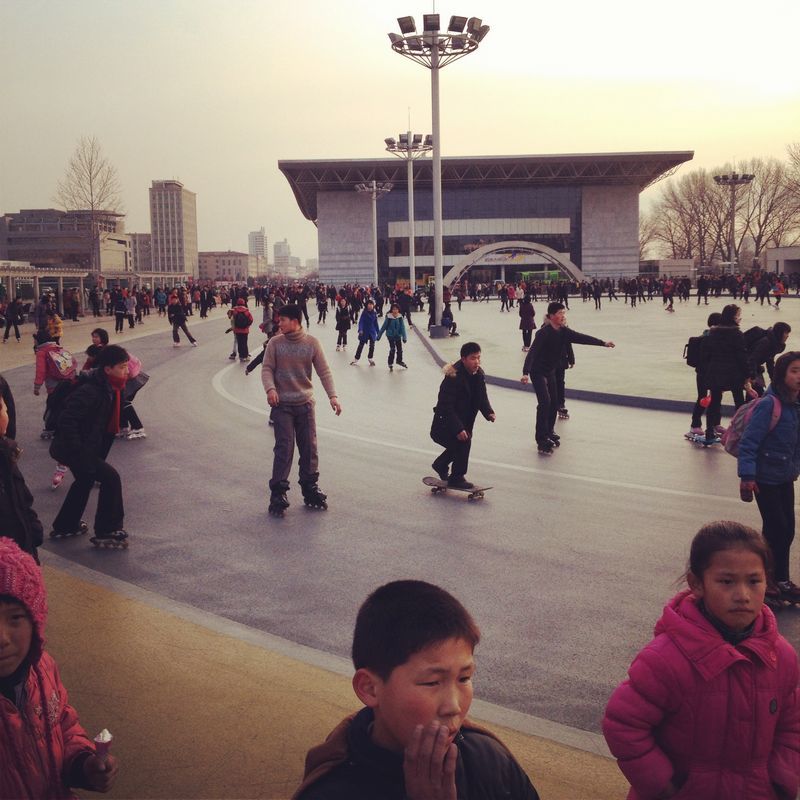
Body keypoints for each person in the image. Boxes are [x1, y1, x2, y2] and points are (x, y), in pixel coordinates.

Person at [603, 521, 799, 800]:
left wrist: (781, 780)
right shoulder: (665, 659)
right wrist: (665, 788)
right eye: (726, 582)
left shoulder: (780, 656)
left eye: (753, 581)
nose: (742, 595)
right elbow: (623, 724)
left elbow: (792, 723)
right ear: (697, 584)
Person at [292, 580, 540, 800]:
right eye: (432, 682)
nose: (453, 706)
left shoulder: (489, 762)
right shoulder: (331, 791)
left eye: (464, 678)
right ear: (370, 688)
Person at [0, 538, 120, 797]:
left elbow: (63, 727)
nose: (2, 637)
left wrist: (83, 764)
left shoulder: (42, 669)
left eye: (16, 618)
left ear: (36, 621)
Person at [261, 305, 341, 515]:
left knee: (309, 448)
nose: (279, 323)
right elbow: (267, 368)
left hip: (305, 404)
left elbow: (324, 371)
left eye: (283, 320)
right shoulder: (275, 343)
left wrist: (333, 396)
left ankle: (309, 487)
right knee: (284, 448)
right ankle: (278, 492)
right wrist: (270, 389)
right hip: (282, 405)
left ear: (295, 321)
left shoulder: (312, 343)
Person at [49, 344, 131, 547]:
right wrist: (79, 451)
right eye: (122, 367)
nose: (126, 371)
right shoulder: (92, 390)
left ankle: (66, 525)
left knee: (85, 480)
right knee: (111, 478)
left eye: (126, 366)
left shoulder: (112, 387)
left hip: (82, 448)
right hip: (73, 449)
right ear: (107, 369)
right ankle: (107, 530)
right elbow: (67, 420)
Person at [738, 350, 800, 605]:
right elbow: (749, 442)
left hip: (785, 476)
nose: (799, 376)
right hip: (764, 478)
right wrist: (747, 476)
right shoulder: (769, 404)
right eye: (794, 371)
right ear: (781, 374)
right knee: (778, 528)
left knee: (787, 530)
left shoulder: (796, 404)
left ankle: (780, 579)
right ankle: (769, 579)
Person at [520, 302, 614, 454]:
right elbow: (532, 353)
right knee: (544, 403)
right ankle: (541, 439)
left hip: (550, 371)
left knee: (554, 403)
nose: (563, 316)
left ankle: (549, 432)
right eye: (559, 313)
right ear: (551, 316)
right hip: (537, 372)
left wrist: (603, 343)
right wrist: (525, 372)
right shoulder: (543, 333)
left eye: (564, 313)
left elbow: (581, 338)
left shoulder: (564, 331)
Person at [430, 341, 495, 489]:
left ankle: (441, 464)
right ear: (463, 359)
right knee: (463, 443)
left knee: (462, 443)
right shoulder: (453, 377)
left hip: (463, 423)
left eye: (479, 357)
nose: (477, 361)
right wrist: (458, 428)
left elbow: (481, 397)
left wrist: (488, 412)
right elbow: (445, 406)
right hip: (444, 425)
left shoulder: (478, 374)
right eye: (473, 358)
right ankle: (457, 477)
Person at [0, 396, 43, 561]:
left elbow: (22, 499)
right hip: (8, 564)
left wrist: (33, 530)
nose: (7, 413)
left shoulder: (5, 453)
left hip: (22, 552)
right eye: (3, 408)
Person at [700, 303, 751, 444]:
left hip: (715, 371)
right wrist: (748, 374)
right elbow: (742, 356)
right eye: (738, 315)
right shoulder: (736, 333)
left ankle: (709, 432)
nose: (739, 319)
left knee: (714, 402)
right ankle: (739, 432)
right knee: (739, 403)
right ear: (733, 317)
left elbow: (706, 353)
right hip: (734, 373)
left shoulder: (713, 332)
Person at [686, 312, 723, 439]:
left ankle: (711, 424)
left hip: (703, 372)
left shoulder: (706, 335)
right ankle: (697, 425)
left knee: (711, 397)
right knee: (705, 397)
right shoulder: (707, 338)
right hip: (705, 372)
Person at [377, 303, 408, 371]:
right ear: (391, 310)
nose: (395, 311)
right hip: (390, 335)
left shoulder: (400, 317)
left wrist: (404, 337)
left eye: (396, 309)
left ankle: (399, 360)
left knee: (399, 349)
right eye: (394, 309)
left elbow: (402, 328)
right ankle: (390, 362)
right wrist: (379, 336)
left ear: (398, 310)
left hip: (398, 335)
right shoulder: (389, 317)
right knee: (393, 349)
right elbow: (384, 327)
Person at [351, 299, 379, 366]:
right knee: (361, 345)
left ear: (373, 305)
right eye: (369, 304)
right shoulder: (364, 313)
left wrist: (379, 332)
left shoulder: (374, 313)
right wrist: (360, 329)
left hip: (372, 332)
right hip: (364, 331)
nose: (370, 306)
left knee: (372, 346)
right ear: (366, 305)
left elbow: (375, 323)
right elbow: (361, 322)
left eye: (371, 304)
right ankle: (356, 359)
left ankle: (370, 358)